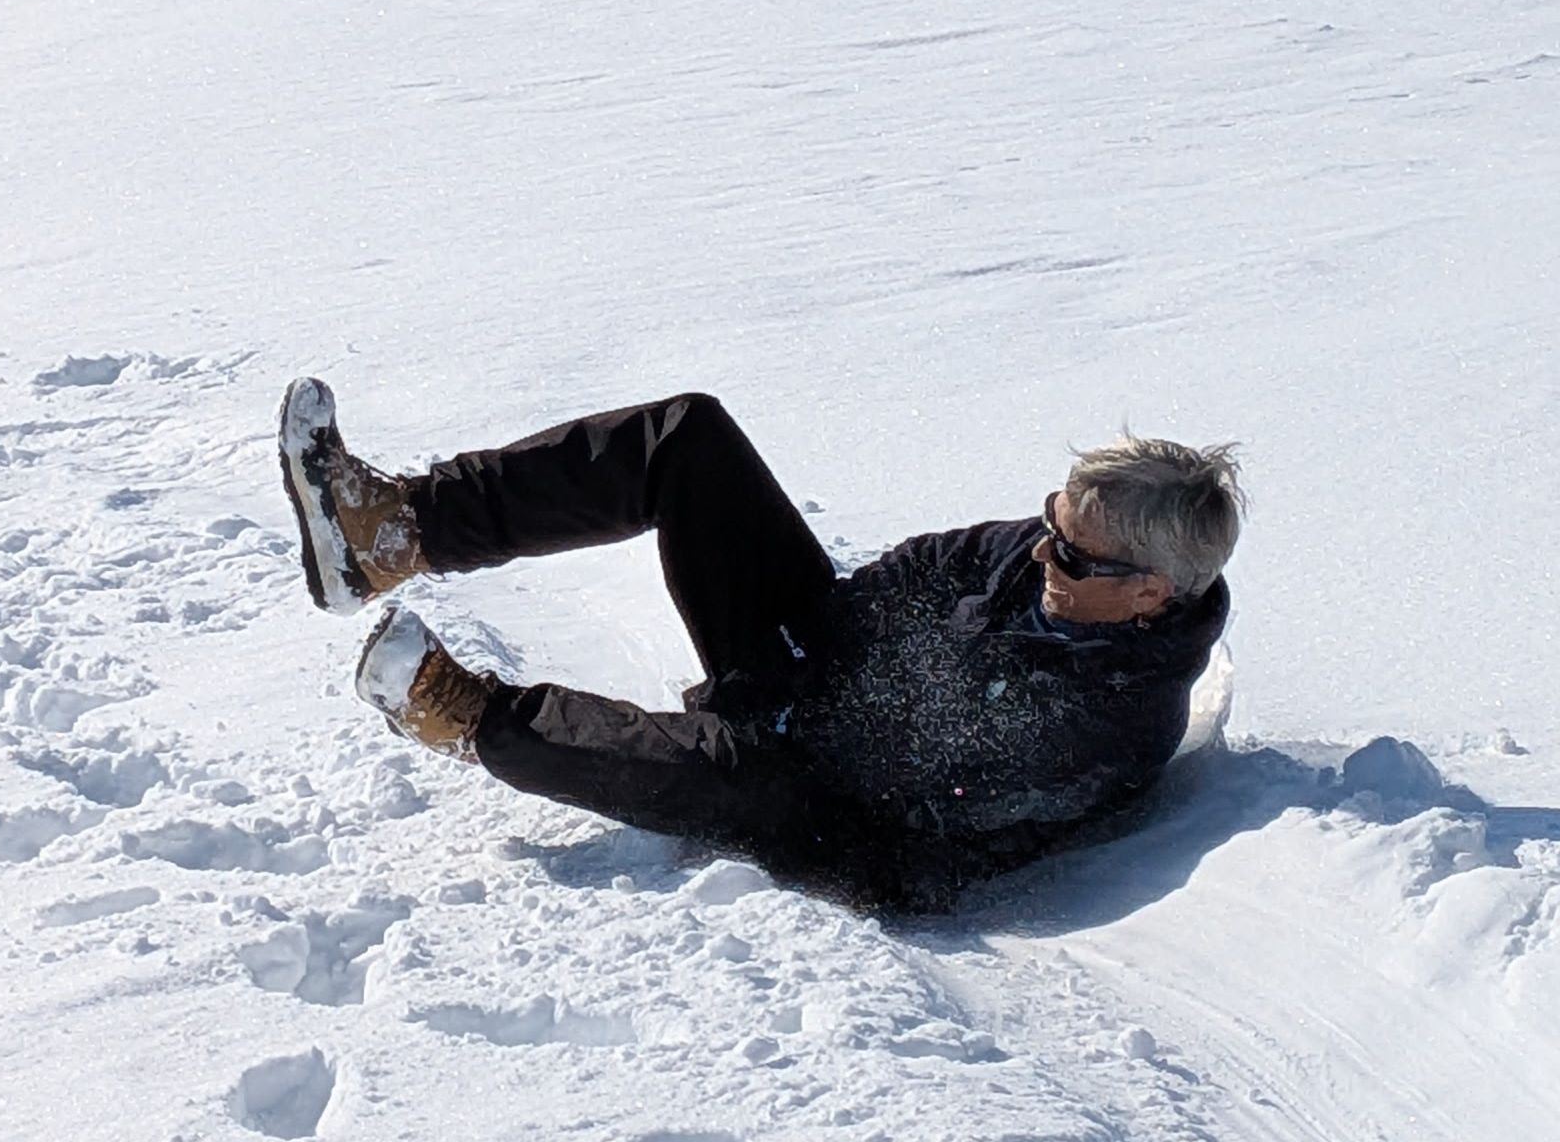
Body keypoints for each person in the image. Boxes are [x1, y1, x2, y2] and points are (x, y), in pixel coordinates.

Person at [274, 382, 1239, 914]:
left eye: (1071, 550)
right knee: (689, 440)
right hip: (820, 679)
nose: (1039, 549)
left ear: (1149, 592)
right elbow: (914, 572)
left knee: (744, 780)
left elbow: (923, 800)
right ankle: (392, 531)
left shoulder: (1111, 723)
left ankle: (469, 715)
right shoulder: (1041, 561)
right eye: (1047, 520)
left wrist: (793, 712)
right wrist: (803, 649)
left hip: (847, 822)